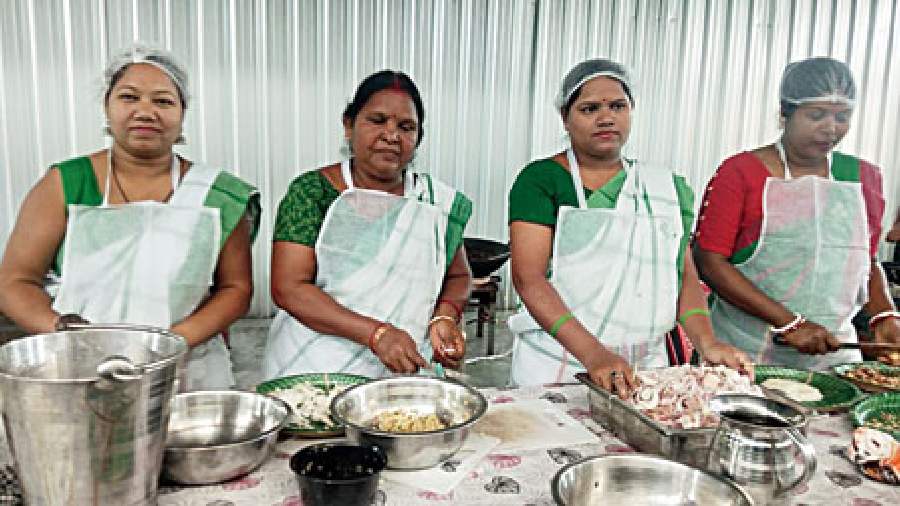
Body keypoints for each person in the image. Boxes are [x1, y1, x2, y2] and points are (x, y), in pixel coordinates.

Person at [0, 44, 260, 390]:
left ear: (183, 114)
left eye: (163, 101)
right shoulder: (67, 182)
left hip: (189, 371)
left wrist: (170, 344)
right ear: (107, 108)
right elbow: (15, 281)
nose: (145, 112)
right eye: (129, 97)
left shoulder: (221, 193)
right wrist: (64, 329)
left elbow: (236, 287)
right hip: (81, 368)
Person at [507, 58, 751, 395]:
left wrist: (707, 342)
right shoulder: (541, 181)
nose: (606, 117)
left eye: (618, 106)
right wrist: (594, 355)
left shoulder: (665, 188)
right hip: (560, 362)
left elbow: (682, 275)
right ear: (565, 118)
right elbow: (528, 279)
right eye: (589, 108)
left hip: (646, 369)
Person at [263, 70, 472, 379]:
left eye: (406, 127)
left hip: (406, 369)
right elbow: (289, 288)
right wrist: (377, 334)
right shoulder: (312, 193)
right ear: (349, 125)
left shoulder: (434, 202)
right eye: (377, 120)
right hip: (315, 368)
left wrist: (444, 317)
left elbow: (459, 276)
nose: (391, 135)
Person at [694, 57, 899, 370]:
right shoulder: (741, 173)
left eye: (842, 116)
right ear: (785, 112)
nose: (831, 128)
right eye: (816, 115)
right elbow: (709, 261)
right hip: (746, 353)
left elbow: (865, 261)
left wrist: (884, 313)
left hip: (835, 358)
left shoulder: (864, 177)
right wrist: (789, 323)